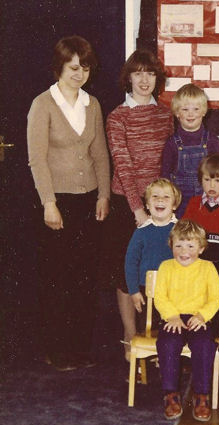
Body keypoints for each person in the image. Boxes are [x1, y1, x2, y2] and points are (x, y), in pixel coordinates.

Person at [27, 35, 111, 371]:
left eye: (85, 67)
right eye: (73, 67)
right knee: (56, 277)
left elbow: (101, 155)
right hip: (56, 202)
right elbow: (37, 159)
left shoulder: (93, 105)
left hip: (89, 200)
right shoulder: (42, 104)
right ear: (60, 66)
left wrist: (103, 194)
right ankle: (55, 349)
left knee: (85, 277)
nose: (80, 73)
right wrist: (48, 202)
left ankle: (80, 348)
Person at [106, 50, 173, 360]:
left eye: (150, 73)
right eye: (138, 73)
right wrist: (137, 209)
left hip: (161, 204)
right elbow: (123, 164)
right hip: (127, 204)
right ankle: (130, 337)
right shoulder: (118, 116)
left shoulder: (165, 115)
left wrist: (162, 207)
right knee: (127, 270)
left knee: (161, 268)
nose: (145, 80)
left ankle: (158, 338)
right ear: (128, 78)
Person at [155, 219, 219, 422]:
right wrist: (172, 315)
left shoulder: (208, 267)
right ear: (171, 246)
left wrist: (202, 315)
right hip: (173, 317)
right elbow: (160, 296)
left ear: (201, 248)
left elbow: (215, 297)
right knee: (168, 343)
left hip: (198, 318)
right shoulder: (166, 267)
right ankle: (170, 394)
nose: (184, 251)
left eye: (191, 246)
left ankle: (202, 395)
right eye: (179, 246)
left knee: (203, 345)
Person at [122, 179, 180, 358]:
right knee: (147, 329)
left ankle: (168, 361)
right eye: (155, 197)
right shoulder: (141, 232)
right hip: (146, 292)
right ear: (147, 204)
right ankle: (145, 363)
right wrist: (133, 291)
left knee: (172, 328)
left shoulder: (180, 230)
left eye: (165, 197)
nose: (160, 201)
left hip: (174, 292)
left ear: (174, 204)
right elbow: (130, 262)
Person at [161, 83, 219, 217]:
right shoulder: (171, 143)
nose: (190, 114)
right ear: (177, 112)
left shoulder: (213, 141)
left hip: (207, 200)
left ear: (204, 111)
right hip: (179, 203)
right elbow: (165, 177)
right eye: (185, 109)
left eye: (196, 109)